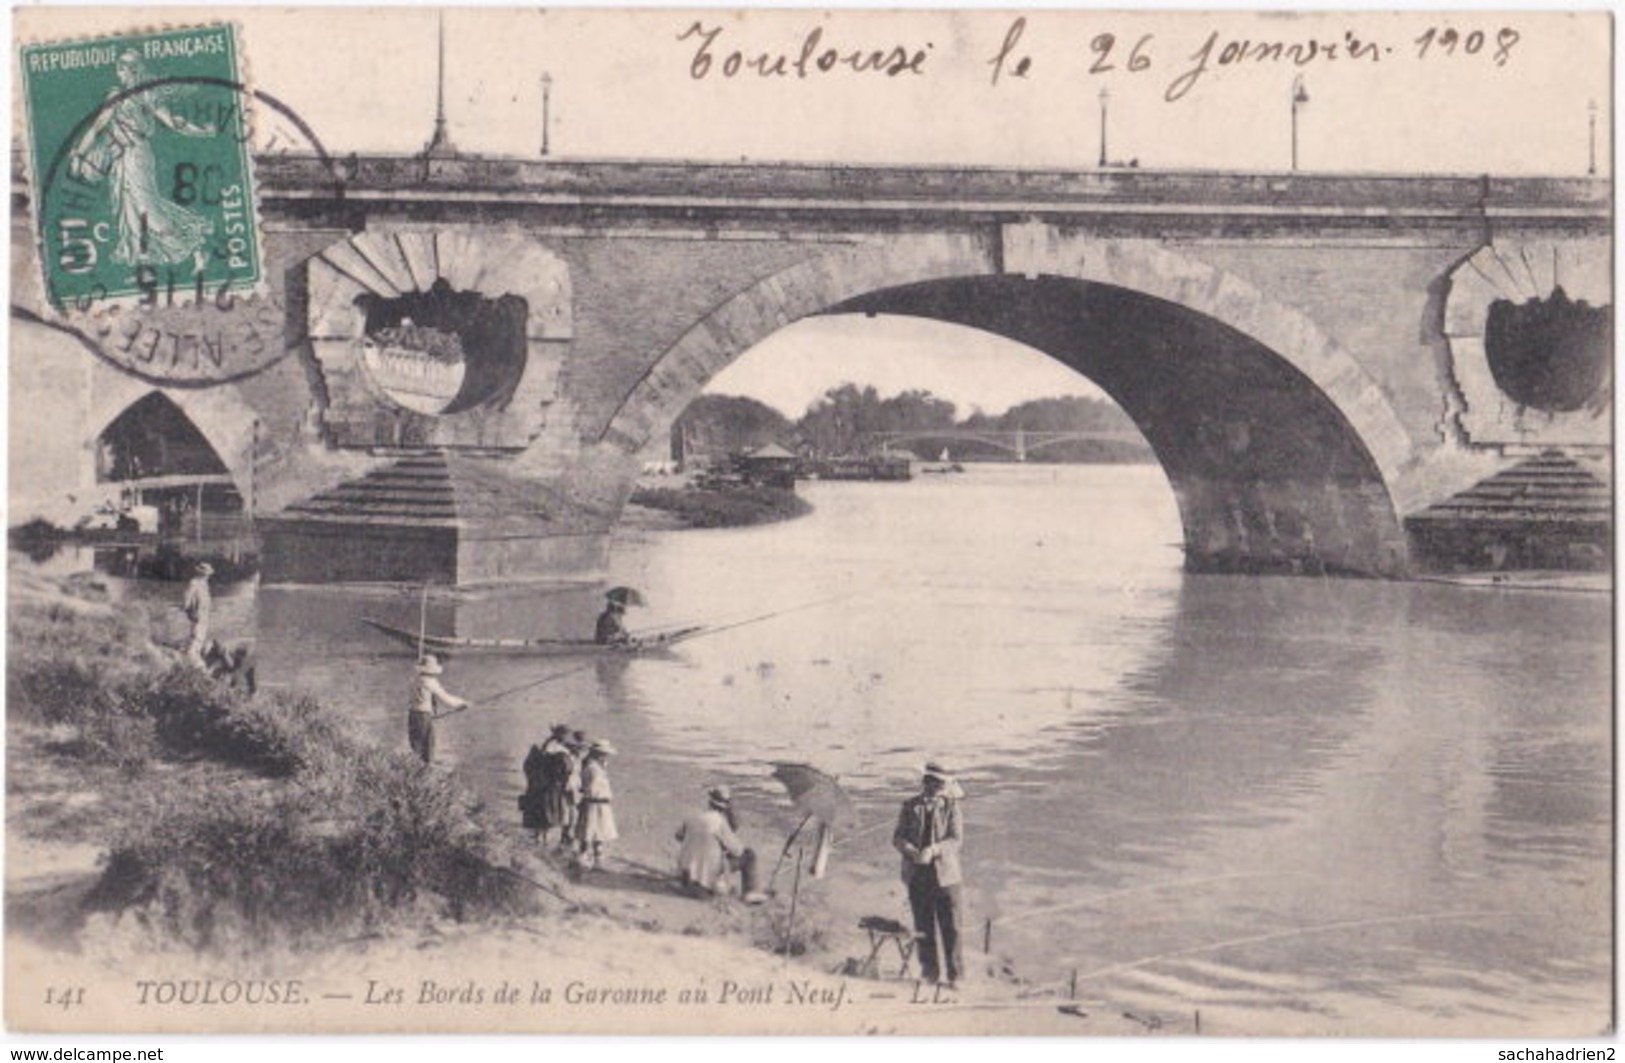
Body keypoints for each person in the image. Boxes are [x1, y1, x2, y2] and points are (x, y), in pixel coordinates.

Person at [71, 50, 217, 268]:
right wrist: (78, 154)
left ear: (134, 70)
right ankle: (141, 258)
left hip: (138, 155)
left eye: (123, 69)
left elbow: (173, 122)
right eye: (119, 69)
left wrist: (202, 132)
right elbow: (97, 127)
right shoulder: (115, 96)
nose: (120, 74)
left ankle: (195, 248)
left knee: (149, 208)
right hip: (119, 158)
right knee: (128, 208)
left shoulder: (148, 96)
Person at [892, 761, 965, 988]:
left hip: (947, 877)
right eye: (934, 783)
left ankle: (956, 976)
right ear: (926, 783)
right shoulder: (909, 806)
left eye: (942, 784)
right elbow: (897, 838)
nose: (938, 788)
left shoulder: (952, 807)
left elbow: (955, 840)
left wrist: (934, 850)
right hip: (917, 874)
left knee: (951, 927)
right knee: (923, 927)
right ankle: (929, 973)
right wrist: (912, 852)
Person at [675, 786, 746, 897]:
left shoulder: (692, 816)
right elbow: (738, 851)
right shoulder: (720, 822)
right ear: (726, 808)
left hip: (685, 872)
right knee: (750, 856)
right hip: (706, 872)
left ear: (709, 802)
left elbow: (678, 836)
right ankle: (752, 893)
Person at [521, 725, 579, 847]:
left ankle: (542, 840)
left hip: (544, 786)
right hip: (551, 787)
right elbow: (562, 770)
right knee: (548, 815)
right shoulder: (557, 751)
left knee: (545, 815)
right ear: (563, 737)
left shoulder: (548, 747)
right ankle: (544, 841)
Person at [407, 654, 469, 765]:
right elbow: (446, 698)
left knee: (416, 748)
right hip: (424, 718)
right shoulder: (430, 682)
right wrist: (463, 703)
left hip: (412, 716)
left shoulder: (414, 680)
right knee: (428, 749)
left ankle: (414, 773)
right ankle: (427, 774)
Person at [576, 740, 619, 869]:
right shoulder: (592, 768)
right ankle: (585, 857)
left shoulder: (596, 766)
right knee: (589, 831)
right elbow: (589, 786)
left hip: (599, 803)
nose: (606, 757)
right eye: (604, 754)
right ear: (598, 754)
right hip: (594, 802)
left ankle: (595, 858)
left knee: (597, 831)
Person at [182, 562, 214, 668]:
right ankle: (192, 661)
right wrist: (189, 612)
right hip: (197, 615)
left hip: (204, 615)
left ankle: (194, 659)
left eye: (208, 574)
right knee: (196, 638)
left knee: (201, 637)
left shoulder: (204, 584)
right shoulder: (194, 582)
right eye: (206, 574)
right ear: (201, 573)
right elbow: (186, 599)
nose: (207, 576)